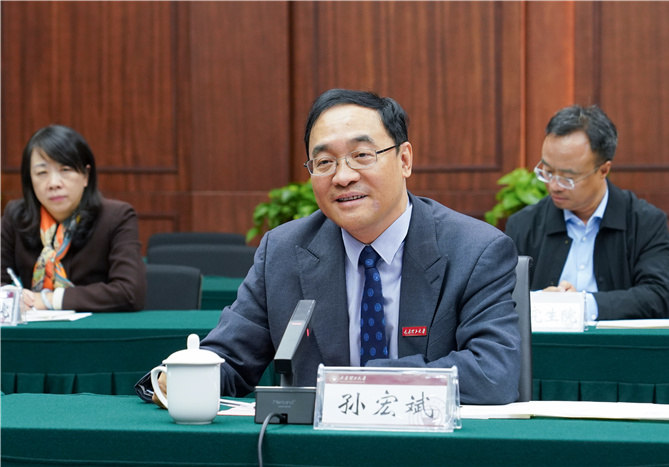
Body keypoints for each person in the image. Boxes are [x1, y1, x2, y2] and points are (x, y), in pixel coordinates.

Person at [150, 89, 521, 405]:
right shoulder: (283, 251)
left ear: (404, 160)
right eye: (325, 162)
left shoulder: (475, 250)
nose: (343, 177)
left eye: (362, 156)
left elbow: (492, 373)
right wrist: (178, 376)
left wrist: (360, 384)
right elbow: (230, 358)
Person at [505, 105, 669, 320]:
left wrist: (582, 305)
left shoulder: (644, 221)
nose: (554, 186)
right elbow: (502, 298)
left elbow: (659, 297)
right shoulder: (524, 224)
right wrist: (541, 302)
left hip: (616, 341)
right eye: (547, 171)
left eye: (567, 178)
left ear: (603, 170)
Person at [1, 124, 146, 312]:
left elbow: (129, 292)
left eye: (65, 170)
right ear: (30, 180)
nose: (53, 183)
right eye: (42, 173)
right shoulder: (16, 216)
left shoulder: (117, 217)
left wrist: (47, 300)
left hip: (95, 328)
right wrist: (10, 296)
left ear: (86, 176)